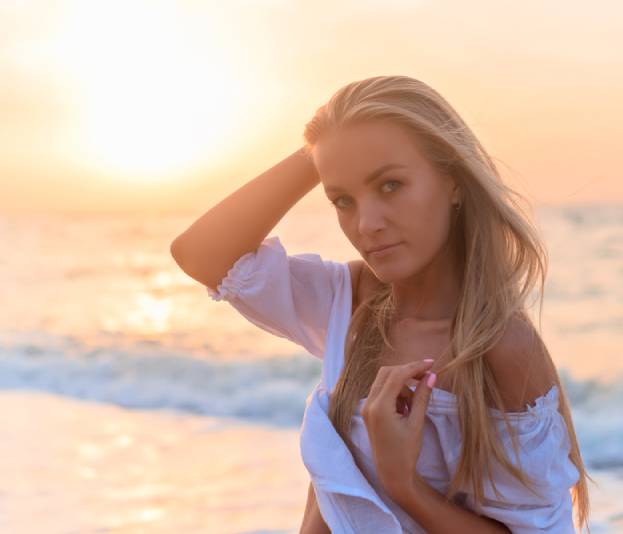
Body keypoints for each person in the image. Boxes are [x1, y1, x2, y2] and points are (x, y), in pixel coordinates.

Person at [171, 75, 594, 533]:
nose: (367, 223)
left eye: (390, 185)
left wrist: (404, 485)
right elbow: (202, 254)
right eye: (343, 200)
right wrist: (324, 148)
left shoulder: (500, 348)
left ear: (453, 180)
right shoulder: (349, 302)